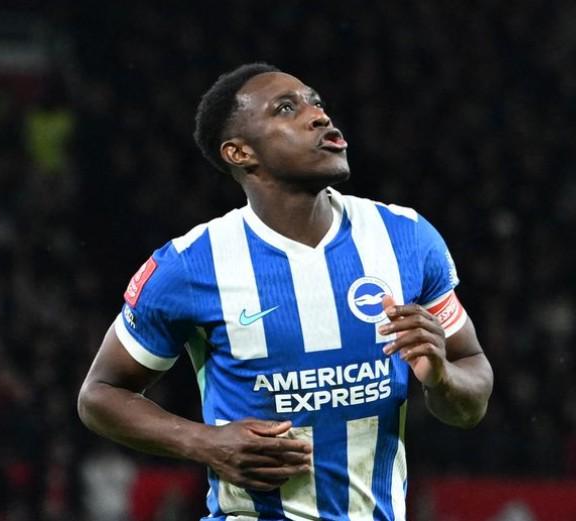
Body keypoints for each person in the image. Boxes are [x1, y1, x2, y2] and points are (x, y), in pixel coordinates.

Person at [77, 62, 494, 521]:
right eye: (286, 108)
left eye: (316, 102)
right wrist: (205, 442)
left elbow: (470, 391)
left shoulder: (406, 238)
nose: (319, 116)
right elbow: (100, 394)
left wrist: (442, 378)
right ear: (239, 152)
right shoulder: (191, 264)